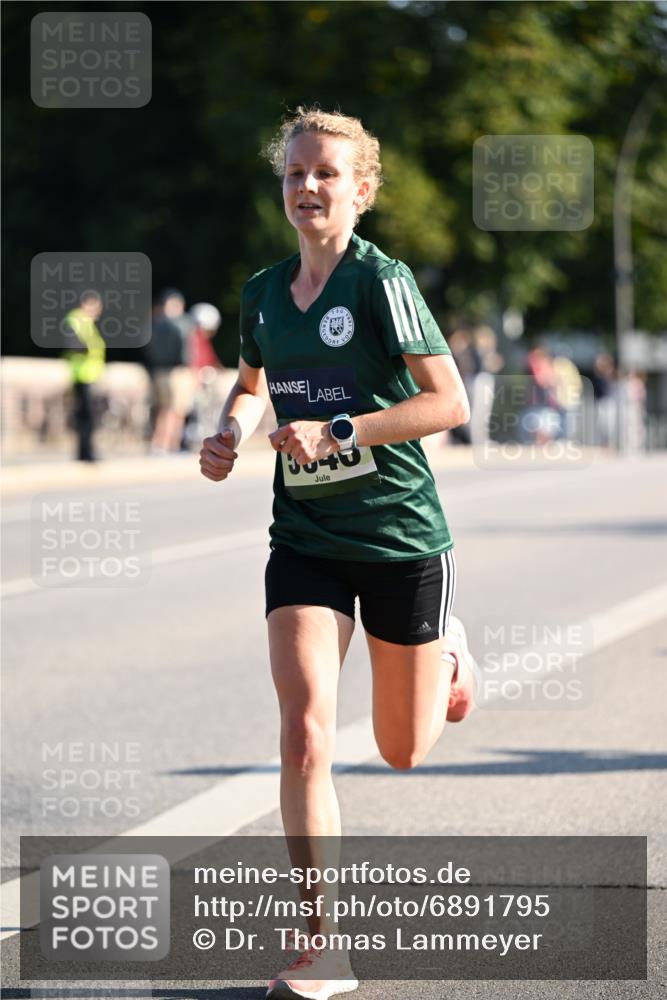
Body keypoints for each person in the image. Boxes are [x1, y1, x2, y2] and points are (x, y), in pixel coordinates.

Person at [199, 107, 477, 1000]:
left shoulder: (381, 283)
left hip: (399, 540)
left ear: (361, 189)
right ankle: (324, 945)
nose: (307, 187)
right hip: (306, 540)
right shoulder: (262, 292)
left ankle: (448, 653)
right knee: (306, 732)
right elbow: (252, 384)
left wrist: (341, 429)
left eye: (325, 174)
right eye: (294, 173)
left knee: (401, 750)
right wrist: (230, 429)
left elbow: (449, 403)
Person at [145, 288, 195, 453]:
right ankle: (171, 445)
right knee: (177, 411)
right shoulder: (183, 323)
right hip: (178, 372)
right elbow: (187, 351)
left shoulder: (154, 323)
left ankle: (158, 443)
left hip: (158, 371)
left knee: (163, 409)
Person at [62, 290, 106, 462]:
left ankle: (86, 451)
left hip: (89, 374)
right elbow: (73, 344)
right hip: (82, 374)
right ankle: (85, 452)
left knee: (88, 416)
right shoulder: (76, 320)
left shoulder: (86, 322)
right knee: (86, 416)